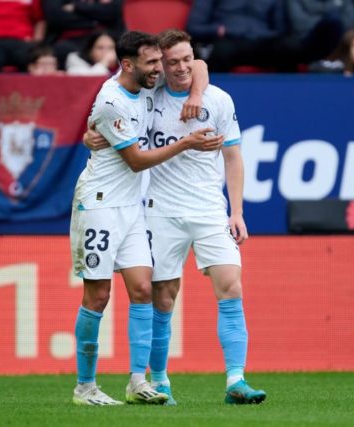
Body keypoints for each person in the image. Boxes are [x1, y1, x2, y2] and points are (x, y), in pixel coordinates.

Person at [85, 29, 266, 406]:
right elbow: (113, 109)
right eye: (171, 62)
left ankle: (236, 380)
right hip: (160, 210)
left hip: (209, 209)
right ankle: (161, 381)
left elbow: (233, 156)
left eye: (187, 59)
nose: (182, 67)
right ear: (159, 67)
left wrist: (237, 211)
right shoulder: (150, 96)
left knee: (231, 286)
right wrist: (92, 133)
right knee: (162, 298)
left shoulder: (217, 99)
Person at [70, 30, 222, 406]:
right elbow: (136, 160)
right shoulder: (112, 102)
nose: (160, 69)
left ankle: (138, 381)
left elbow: (198, 64)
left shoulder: (144, 88)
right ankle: (85, 388)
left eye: (160, 61)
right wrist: (185, 142)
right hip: (100, 205)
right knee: (98, 295)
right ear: (128, 64)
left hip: (132, 208)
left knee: (142, 289)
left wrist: (198, 94)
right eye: (152, 63)